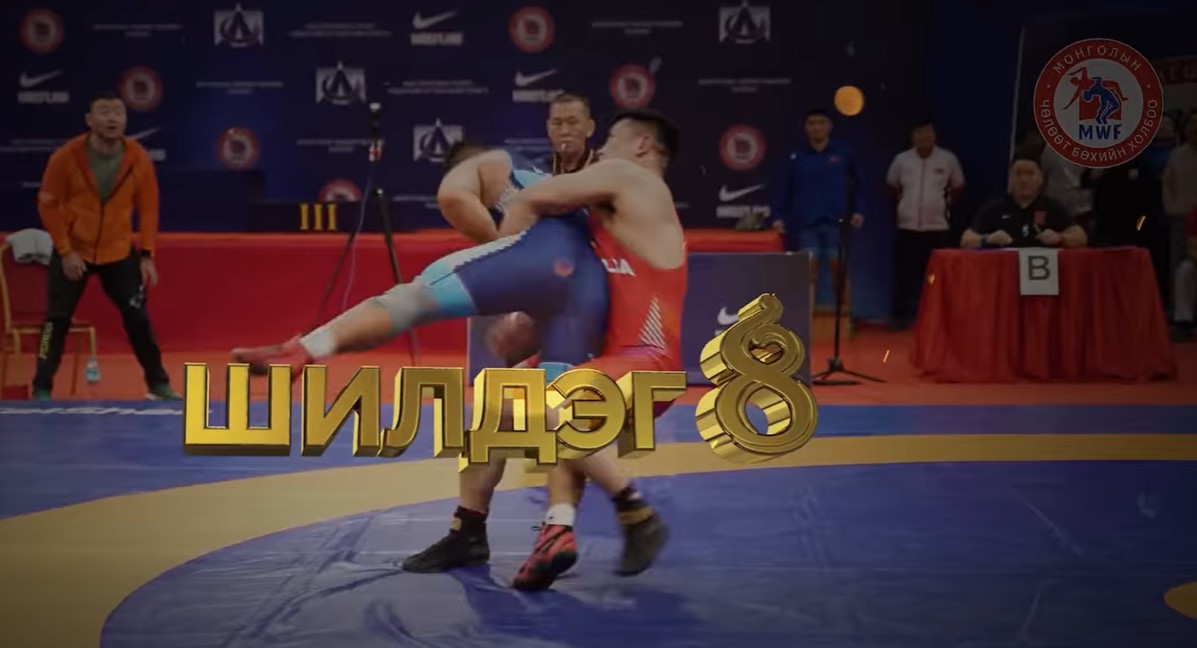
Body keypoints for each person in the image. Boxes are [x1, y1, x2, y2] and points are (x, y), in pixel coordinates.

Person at [231, 144, 611, 571]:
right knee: (552, 417)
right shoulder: (568, 188)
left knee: (412, 302)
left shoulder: (483, 166)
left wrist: (503, 260)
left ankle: (306, 349)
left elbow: (454, 198)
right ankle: (569, 524)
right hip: (589, 293)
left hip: (536, 272)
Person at [488, 109, 688, 591]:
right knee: (514, 404)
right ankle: (556, 530)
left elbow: (536, 196)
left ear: (642, 146)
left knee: (544, 395)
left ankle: (634, 510)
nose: (602, 150)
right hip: (615, 364)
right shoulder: (613, 216)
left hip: (646, 362)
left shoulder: (633, 178)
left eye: (612, 139)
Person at [31, 90, 178, 401]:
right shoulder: (66, 157)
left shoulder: (138, 157)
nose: (112, 119)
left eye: (118, 112)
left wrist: (147, 255)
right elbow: (47, 205)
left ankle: (158, 384)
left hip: (118, 252)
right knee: (55, 321)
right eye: (104, 111)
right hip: (74, 251)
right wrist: (65, 251)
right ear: (89, 119)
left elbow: (149, 209)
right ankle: (41, 387)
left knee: (138, 318)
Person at [768, 108, 866, 309]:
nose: (816, 127)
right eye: (811, 123)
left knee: (839, 273)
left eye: (821, 123)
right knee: (807, 274)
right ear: (805, 128)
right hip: (807, 226)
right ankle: (807, 320)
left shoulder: (844, 155)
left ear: (829, 126)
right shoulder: (796, 157)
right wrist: (777, 215)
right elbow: (784, 189)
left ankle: (844, 318)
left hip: (836, 225)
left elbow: (859, 185)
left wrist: (859, 211)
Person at [961, 155, 1088, 249]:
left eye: (1030, 174)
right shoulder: (995, 208)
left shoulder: (1052, 207)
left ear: (1041, 178)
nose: (1024, 179)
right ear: (1010, 178)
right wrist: (987, 239)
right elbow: (966, 240)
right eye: (1018, 174)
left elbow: (1081, 238)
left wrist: (1060, 237)